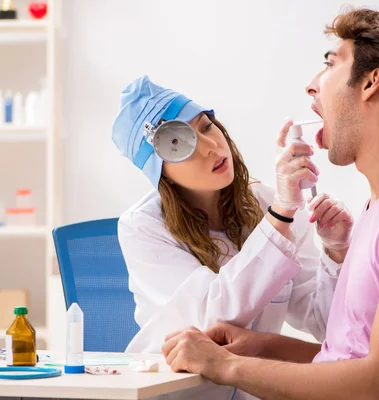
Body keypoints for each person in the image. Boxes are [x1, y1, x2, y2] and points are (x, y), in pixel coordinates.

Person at [161, 8, 379, 400]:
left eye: (330, 64)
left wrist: (226, 366)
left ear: (371, 82)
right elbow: (351, 361)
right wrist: (260, 347)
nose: (312, 87)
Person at [111, 76, 353, 399]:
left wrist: (336, 253)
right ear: (159, 172)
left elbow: (324, 324)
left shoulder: (270, 203)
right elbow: (211, 322)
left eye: (207, 126)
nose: (211, 147)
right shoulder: (142, 227)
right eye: (181, 144)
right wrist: (280, 214)